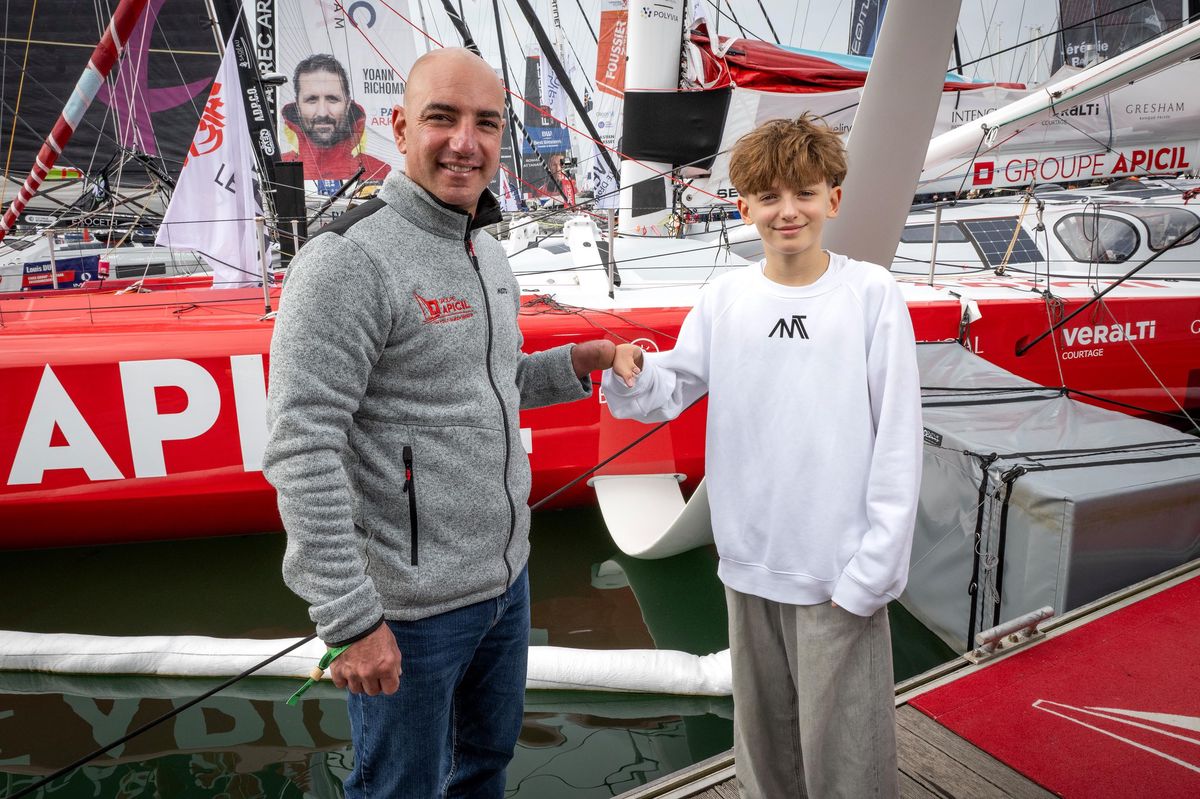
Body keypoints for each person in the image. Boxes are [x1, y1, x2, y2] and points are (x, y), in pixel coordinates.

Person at [263, 47, 615, 798]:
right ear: (399, 126)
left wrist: (577, 363)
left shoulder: (485, 250)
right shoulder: (346, 261)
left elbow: (492, 381)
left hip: (505, 584)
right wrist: (351, 620)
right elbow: (302, 444)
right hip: (411, 611)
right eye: (442, 118)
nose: (466, 141)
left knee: (483, 769)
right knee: (400, 790)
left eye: (486, 123)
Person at [602, 115, 923, 798]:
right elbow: (672, 387)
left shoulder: (871, 296)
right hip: (749, 565)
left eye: (804, 193)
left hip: (841, 569)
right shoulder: (725, 298)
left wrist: (875, 567)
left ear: (833, 198)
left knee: (850, 758)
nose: (788, 211)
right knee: (763, 744)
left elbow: (897, 438)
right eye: (769, 196)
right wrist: (632, 370)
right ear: (743, 206)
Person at [281, 53, 392, 182]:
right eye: (311, 100)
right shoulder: (277, 170)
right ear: (298, 106)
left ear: (348, 103)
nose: (322, 113)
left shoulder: (380, 171)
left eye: (332, 99)